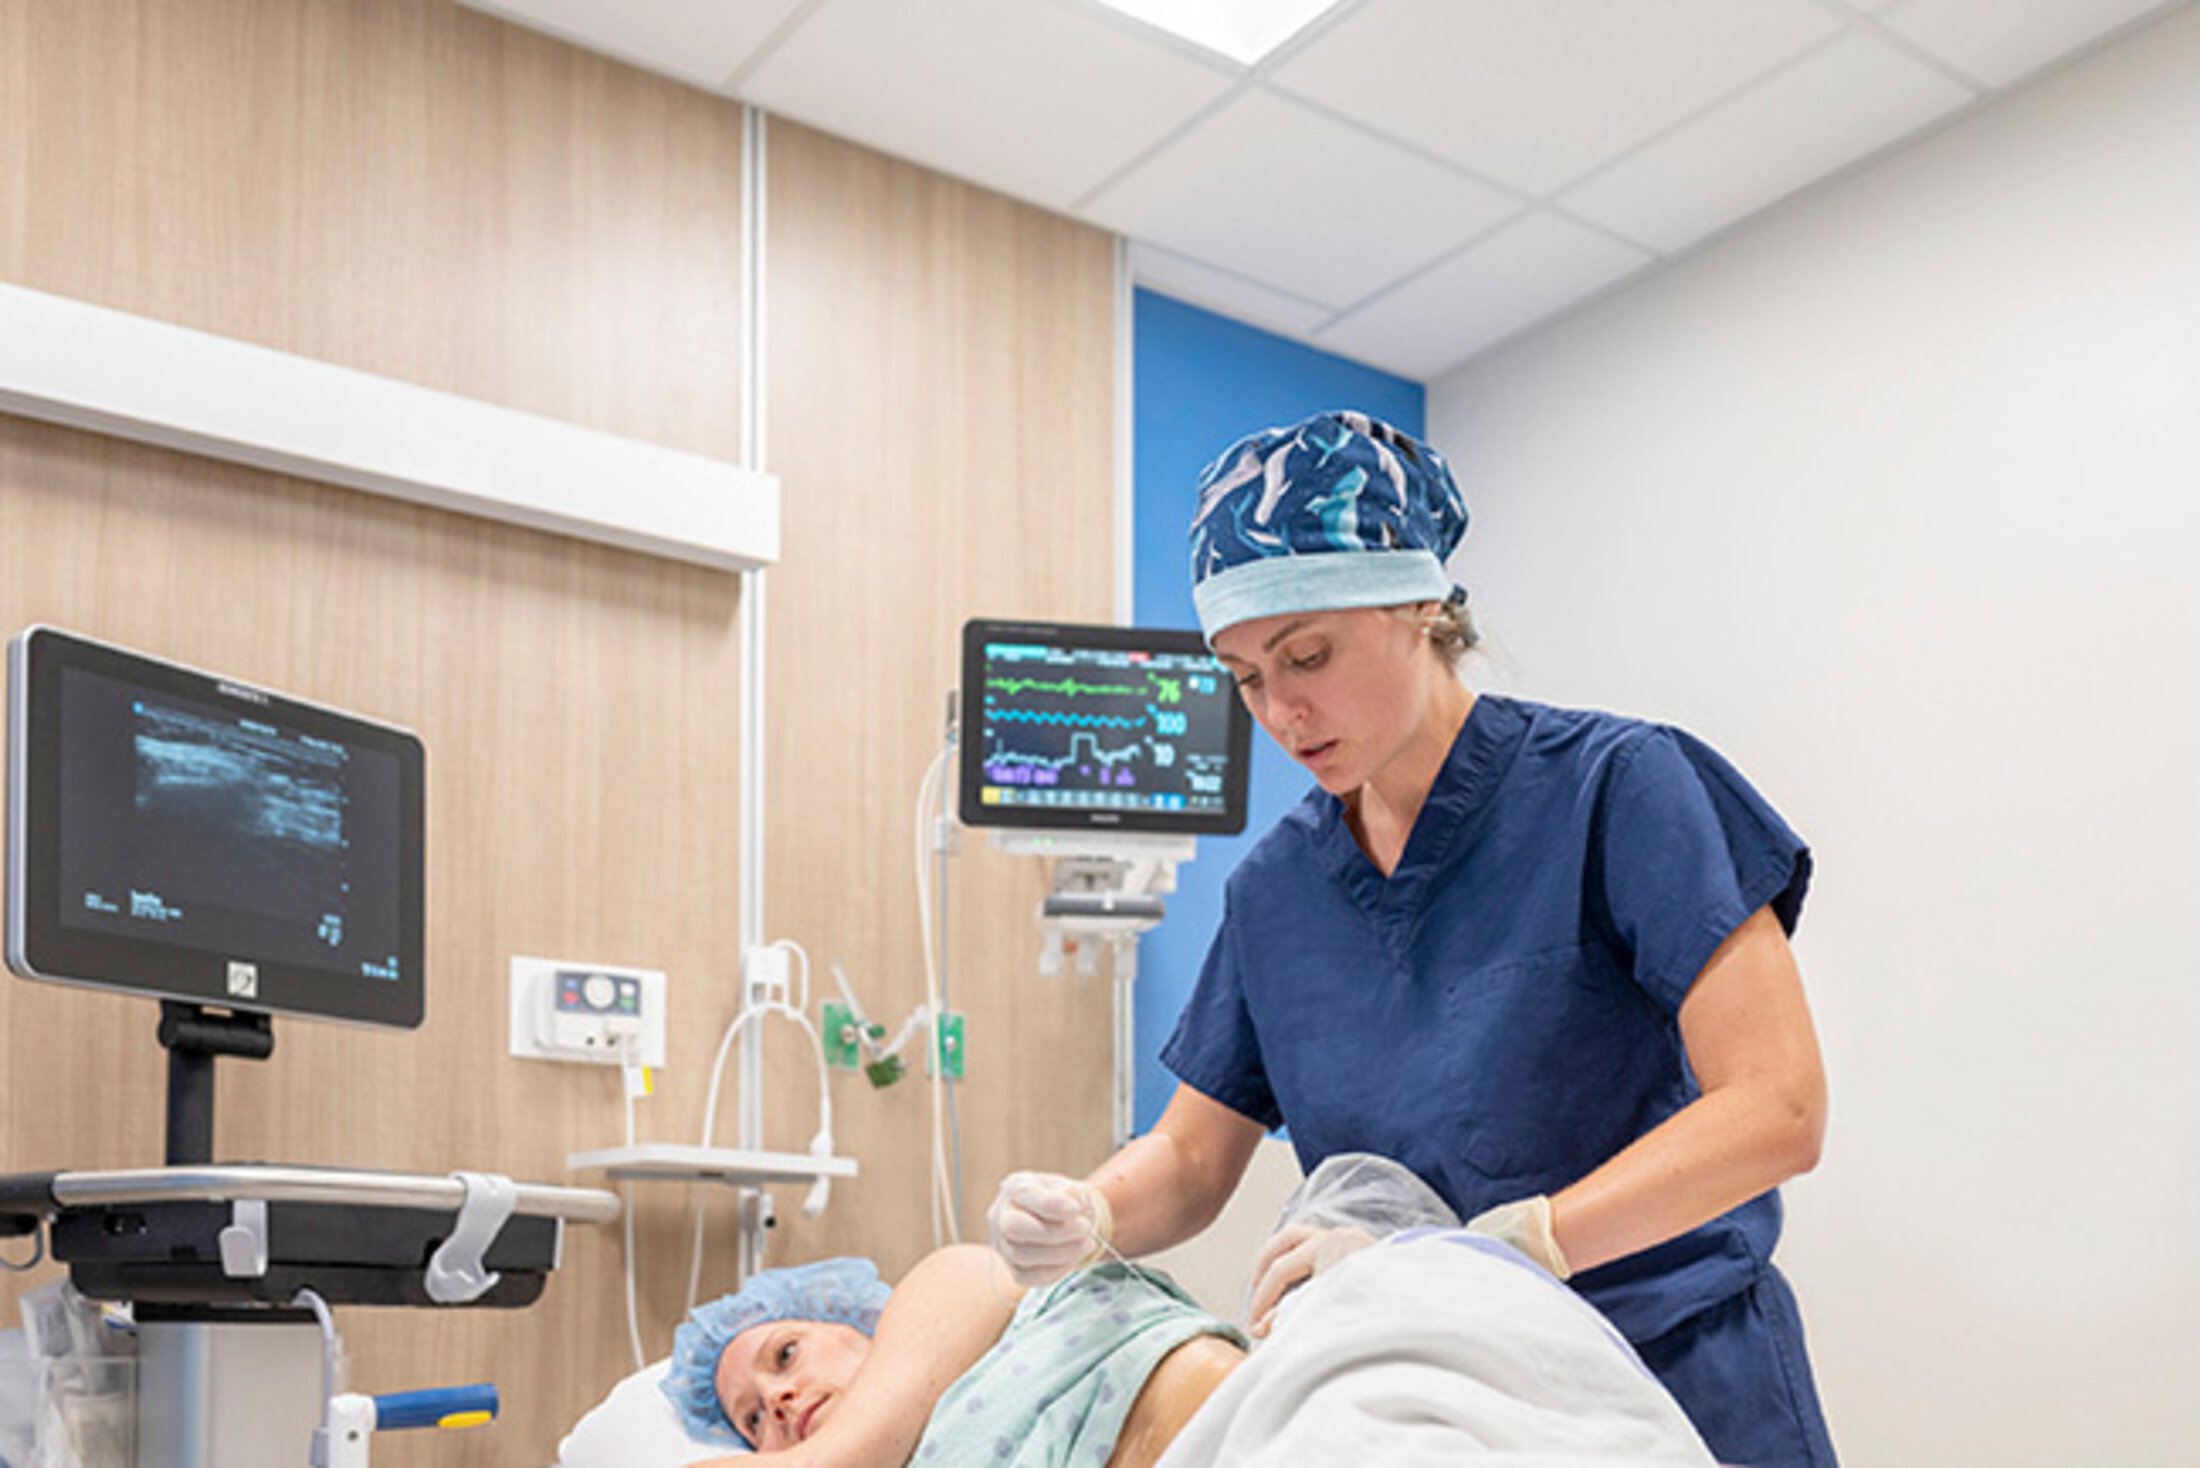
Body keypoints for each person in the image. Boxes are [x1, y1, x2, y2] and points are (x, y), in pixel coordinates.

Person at [988, 410, 1837, 1468]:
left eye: (1307, 654)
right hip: (1418, 1407)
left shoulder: (1618, 789)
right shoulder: (1276, 890)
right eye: (1244, 677)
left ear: (1421, 603)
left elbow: (1776, 1107)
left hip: (1668, 1375)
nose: (1281, 710)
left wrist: (1508, 1250)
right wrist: (1089, 1209)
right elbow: (1191, 1158)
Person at [662, 1249, 1245, 1466]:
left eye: (785, 1355)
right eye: (752, 1421)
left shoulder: (955, 1283)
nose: (777, 1399)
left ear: (860, 1324)